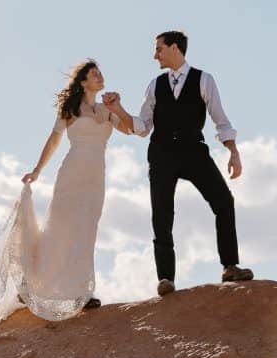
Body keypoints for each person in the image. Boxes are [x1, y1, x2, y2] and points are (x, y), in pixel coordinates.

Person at [104, 30, 253, 296]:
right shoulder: (154, 86)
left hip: (194, 152)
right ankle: (166, 279)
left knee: (224, 202)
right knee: (161, 214)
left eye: (158, 49)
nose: (155, 55)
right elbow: (141, 127)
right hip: (162, 154)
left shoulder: (204, 80)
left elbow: (221, 120)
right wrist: (118, 110)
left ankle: (230, 266)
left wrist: (234, 152)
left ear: (174, 48)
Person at [0, 60, 129, 325]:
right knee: (60, 229)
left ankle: (80, 291)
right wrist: (37, 171)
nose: (99, 76)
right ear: (83, 81)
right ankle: (33, 286)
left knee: (87, 230)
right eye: (94, 74)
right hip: (71, 175)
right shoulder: (70, 108)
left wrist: (117, 107)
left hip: (96, 179)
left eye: (100, 73)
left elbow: (131, 129)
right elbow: (54, 140)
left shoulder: (107, 110)